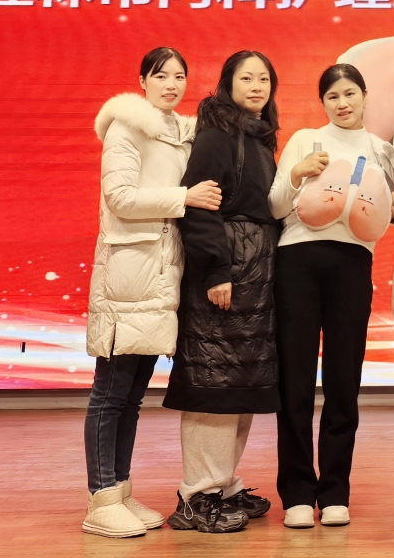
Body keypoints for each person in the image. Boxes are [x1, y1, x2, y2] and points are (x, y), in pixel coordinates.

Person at [82, 47, 223, 539]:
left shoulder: (183, 134)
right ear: (142, 80)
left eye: (180, 76)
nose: (171, 84)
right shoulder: (126, 128)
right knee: (110, 393)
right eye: (161, 75)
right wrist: (184, 197)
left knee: (132, 396)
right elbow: (120, 198)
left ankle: (119, 491)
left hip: (161, 277)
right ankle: (100, 498)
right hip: (129, 275)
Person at [267, 63, 394, 529]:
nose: (342, 103)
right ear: (323, 102)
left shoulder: (382, 151)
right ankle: (296, 494)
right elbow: (275, 206)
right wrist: (296, 175)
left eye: (350, 93)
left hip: (352, 266)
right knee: (295, 381)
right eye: (332, 96)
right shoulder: (305, 139)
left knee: (344, 381)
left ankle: (334, 492)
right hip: (297, 262)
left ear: (365, 96)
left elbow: (380, 215)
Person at [163, 51, 284, 534]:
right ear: (227, 84)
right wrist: (216, 271)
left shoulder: (258, 136)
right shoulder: (216, 134)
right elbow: (199, 207)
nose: (256, 86)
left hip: (256, 279)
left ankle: (222, 483)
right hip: (227, 276)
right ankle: (197, 496)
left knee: (239, 387)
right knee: (213, 386)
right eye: (246, 77)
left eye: (264, 79)